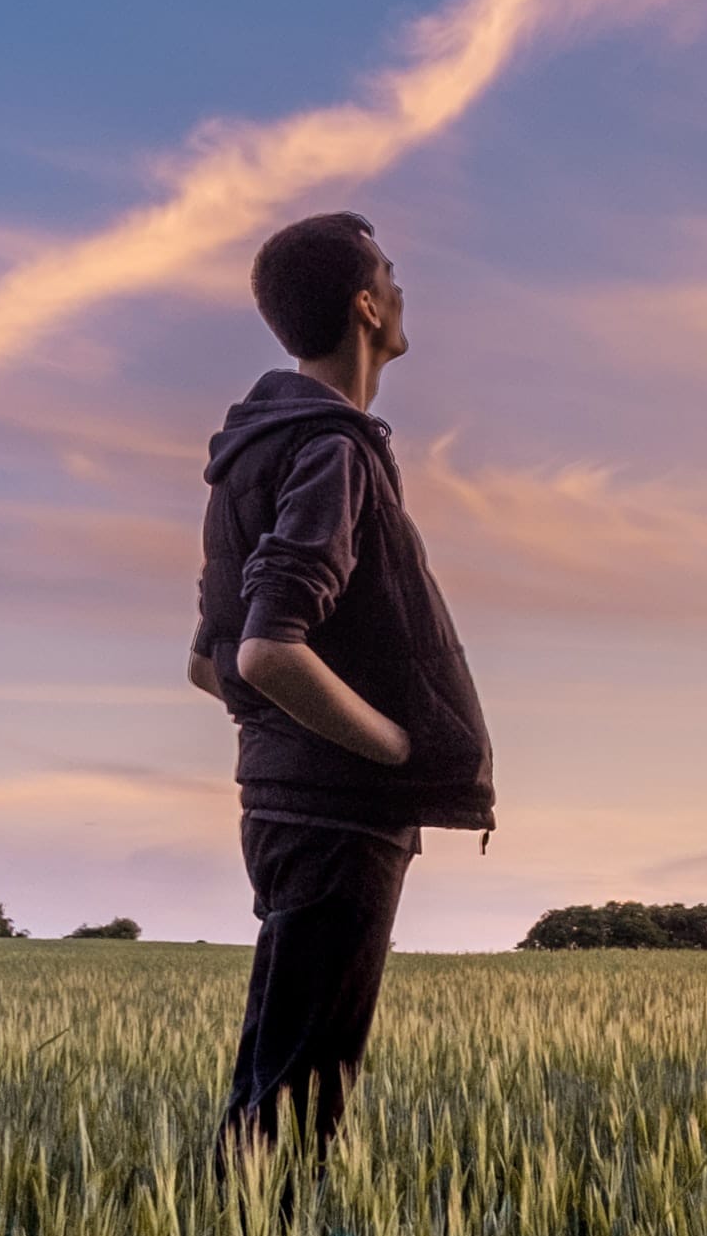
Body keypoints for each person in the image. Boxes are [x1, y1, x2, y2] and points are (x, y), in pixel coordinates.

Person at [191, 212, 496, 1151]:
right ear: (365, 305)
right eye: (392, 277)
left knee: (277, 1078)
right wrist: (395, 749)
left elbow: (207, 659)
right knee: (301, 1098)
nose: (403, 293)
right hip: (337, 813)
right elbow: (263, 652)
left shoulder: (255, 450)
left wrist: (285, 742)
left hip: (284, 805)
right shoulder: (331, 447)